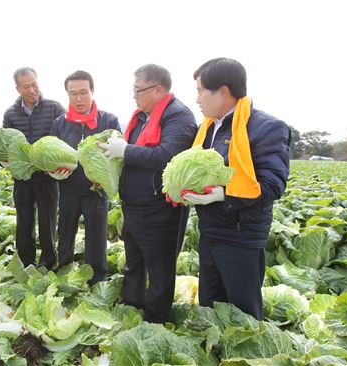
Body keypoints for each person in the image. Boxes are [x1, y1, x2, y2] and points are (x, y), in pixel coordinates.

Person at [181, 57, 291, 320]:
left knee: (243, 310)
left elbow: (273, 183)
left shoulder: (266, 127)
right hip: (210, 231)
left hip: (241, 234)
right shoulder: (208, 128)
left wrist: (223, 194)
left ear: (224, 92)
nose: (197, 99)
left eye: (200, 91)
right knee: (210, 304)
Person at [99, 64, 197, 323]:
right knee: (134, 264)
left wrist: (125, 151)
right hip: (134, 206)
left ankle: (155, 321)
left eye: (137, 90)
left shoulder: (179, 116)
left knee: (160, 270)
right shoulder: (141, 117)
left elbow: (167, 156)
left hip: (160, 208)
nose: (134, 95)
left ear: (157, 89)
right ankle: (131, 311)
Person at [50, 70, 121, 284]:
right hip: (68, 190)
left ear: (92, 91)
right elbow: (52, 154)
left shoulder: (108, 120)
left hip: (96, 191)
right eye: (73, 94)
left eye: (83, 92)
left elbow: (118, 156)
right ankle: (64, 274)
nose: (78, 98)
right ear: (67, 95)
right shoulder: (59, 124)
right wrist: (53, 171)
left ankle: (96, 280)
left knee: (97, 239)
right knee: (65, 235)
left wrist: (106, 176)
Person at [3, 67, 65, 269]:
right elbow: (4, 145)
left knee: (48, 222)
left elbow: (63, 142)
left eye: (34, 84)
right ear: (18, 89)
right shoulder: (11, 114)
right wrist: (4, 161)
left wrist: (56, 165)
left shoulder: (54, 108)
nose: (32, 90)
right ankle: (26, 261)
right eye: (26, 86)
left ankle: (48, 262)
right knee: (24, 222)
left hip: (47, 177)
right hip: (22, 178)